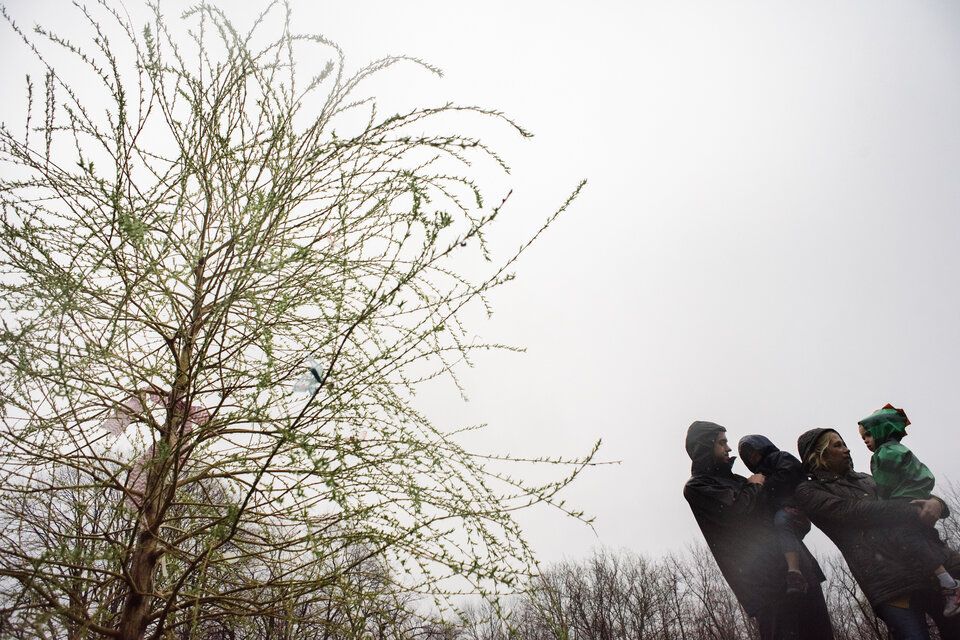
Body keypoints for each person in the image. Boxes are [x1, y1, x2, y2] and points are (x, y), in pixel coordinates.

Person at [794, 427, 960, 640]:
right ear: (819, 454)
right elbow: (855, 512)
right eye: (837, 445)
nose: (847, 449)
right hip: (890, 585)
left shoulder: (868, 479)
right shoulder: (809, 492)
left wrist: (937, 503)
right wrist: (915, 510)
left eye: (844, 443)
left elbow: (908, 493)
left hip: (928, 569)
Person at [684, 421, 833, 640]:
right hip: (768, 586)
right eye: (722, 442)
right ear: (704, 446)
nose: (728, 448)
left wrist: (797, 520)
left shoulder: (739, 481)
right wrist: (755, 485)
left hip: (802, 573)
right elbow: (739, 513)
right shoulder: (698, 486)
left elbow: (769, 516)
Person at [857, 404, 960, 616]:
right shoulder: (897, 448)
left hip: (904, 500)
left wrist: (881, 500)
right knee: (922, 538)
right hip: (916, 495)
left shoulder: (883, 454)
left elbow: (885, 484)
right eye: (863, 438)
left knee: (905, 539)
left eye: (868, 435)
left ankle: (949, 584)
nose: (866, 441)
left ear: (880, 430)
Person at [738, 435, 811, 596]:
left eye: (753, 451)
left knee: (781, 520)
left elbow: (789, 474)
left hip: (793, 508)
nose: (752, 456)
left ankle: (794, 572)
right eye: (747, 455)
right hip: (779, 516)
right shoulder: (758, 475)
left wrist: (763, 484)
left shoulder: (780, 458)